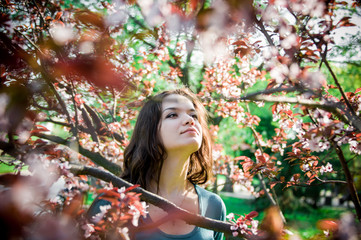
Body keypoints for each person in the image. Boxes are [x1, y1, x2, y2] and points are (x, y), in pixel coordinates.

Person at [88, 88, 226, 240]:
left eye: (194, 115)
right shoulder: (112, 203)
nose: (190, 120)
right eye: (172, 115)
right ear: (150, 131)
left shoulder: (213, 206)